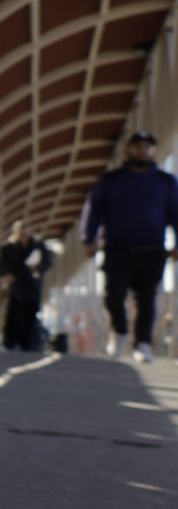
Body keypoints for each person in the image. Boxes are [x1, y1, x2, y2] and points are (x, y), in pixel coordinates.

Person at [82, 131, 178, 362]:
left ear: (153, 150)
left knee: (146, 298)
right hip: (117, 248)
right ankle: (120, 331)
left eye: (147, 146)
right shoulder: (111, 180)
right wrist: (89, 238)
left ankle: (142, 343)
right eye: (138, 146)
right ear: (129, 149)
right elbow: (94, 210)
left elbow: (176, 213)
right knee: (114, 295)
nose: (142, 150)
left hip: (152, 249)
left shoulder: (166, 182)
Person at [0, 221, 52, 351]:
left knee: (30, 315)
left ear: (30, 233)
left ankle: (28, 345)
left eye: (26, 234)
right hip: (15, 287)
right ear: (16, 234)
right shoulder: (7, 248)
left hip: (33, 286)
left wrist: (38, 268)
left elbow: (48, 262)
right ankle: (10, 343)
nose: (24, 237)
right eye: (21, 234)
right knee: (14, 314)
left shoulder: (38, 247)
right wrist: (7, 274)